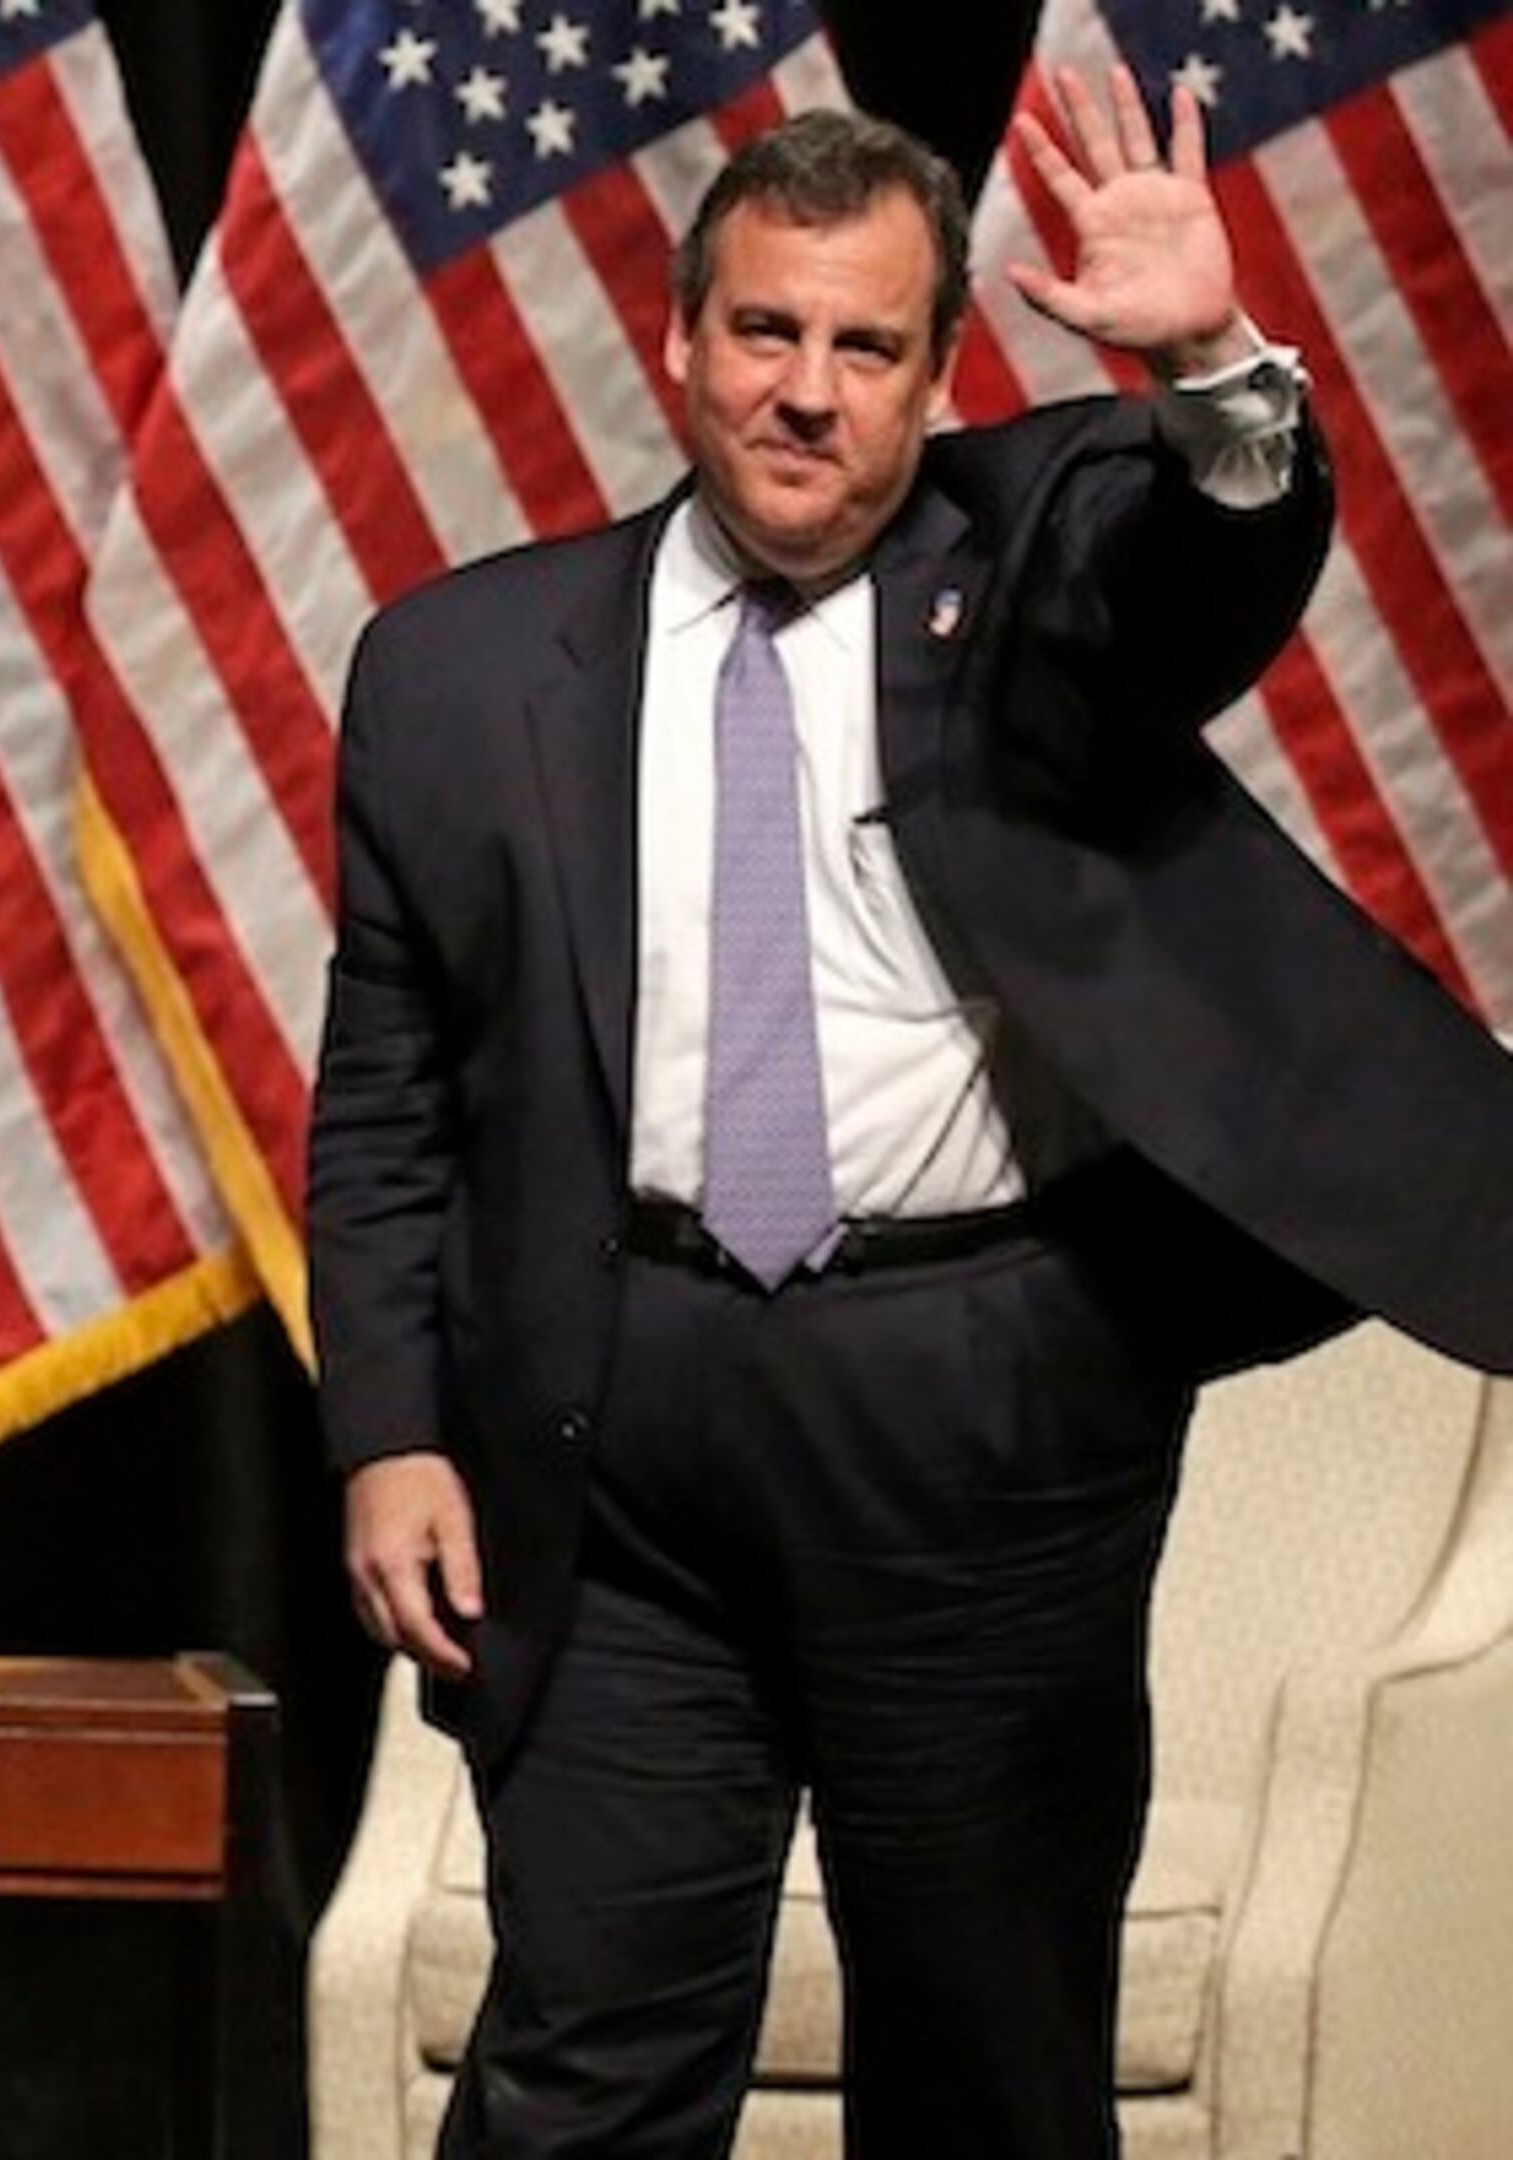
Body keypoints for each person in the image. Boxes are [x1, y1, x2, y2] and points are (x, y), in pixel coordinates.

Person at [308, 78, 1513, 2160]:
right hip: (613, 1429)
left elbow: (1221, 555)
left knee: (987, 2068)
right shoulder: (454, 669)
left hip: (979, 1405)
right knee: (584, 2062)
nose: (808, 393)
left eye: (867, 348)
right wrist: (392, 1429)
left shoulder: (1039, 551)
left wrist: (1209, 360)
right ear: (684, 343)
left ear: (937, 376)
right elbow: (392, 1086)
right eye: (767, 332)